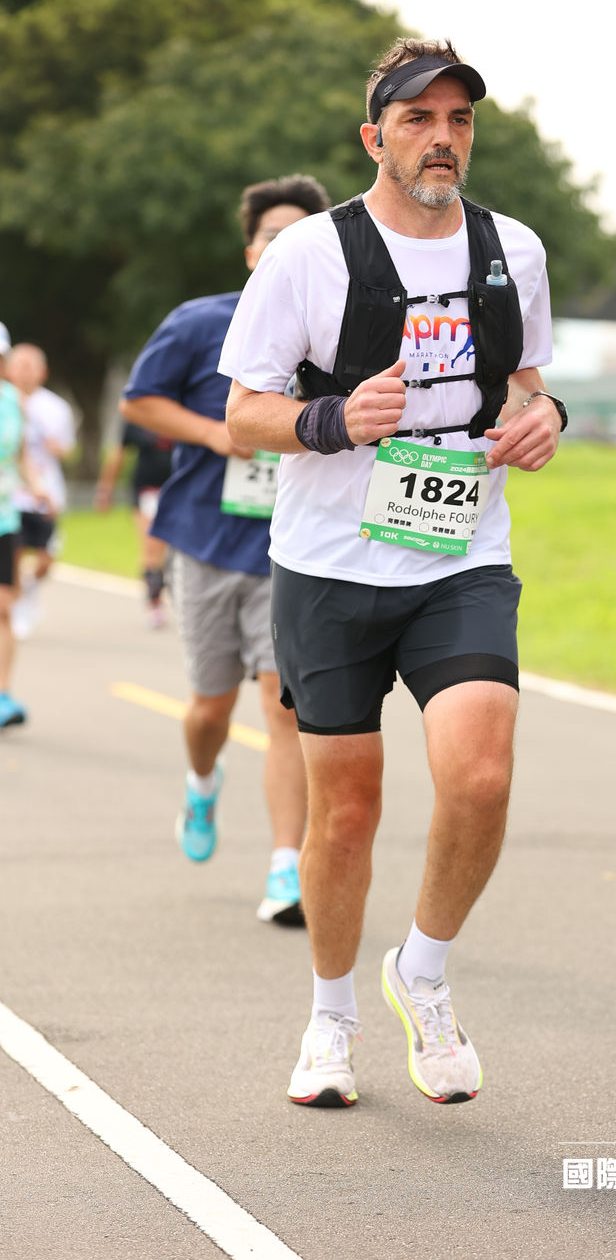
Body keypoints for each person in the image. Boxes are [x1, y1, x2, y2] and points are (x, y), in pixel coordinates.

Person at [221, 40, 567, 1107]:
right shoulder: (307, 256)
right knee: (346, 813)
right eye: (418, 119)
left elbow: (525, 382)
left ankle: (423, 970)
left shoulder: (512, 248)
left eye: (458, 120)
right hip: (328, 564)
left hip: (461, 552)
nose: (441, 138)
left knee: (480, 774)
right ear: (375, 137)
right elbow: (243, 412)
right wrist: (329, 419)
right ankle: (330, 1018)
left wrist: (547, 417)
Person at [120, 174, 331, 925]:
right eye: (273, 235)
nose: (284, 247)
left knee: (284, 711)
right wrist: (216, 431)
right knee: (210, 709)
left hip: (294, 549)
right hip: (207, 542)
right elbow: (139, 400)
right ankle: (203, 783)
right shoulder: (200, 321)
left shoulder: (337, 328)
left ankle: (285, 870)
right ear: (250, 250)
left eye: (299, 236)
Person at [6, 344, 77, 639]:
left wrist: (55, 449)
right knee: (15, 554)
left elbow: (68, 450)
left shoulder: (56, 408)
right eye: (18, 365)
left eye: (30, 366)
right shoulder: (6, 402)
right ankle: (16, 608)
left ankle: (29, 588)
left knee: (45, 561)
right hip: (12, 498)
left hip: (46, 493)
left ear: (42, 372)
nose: (24, 372)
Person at [0, 324, 50, 727]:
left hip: (4, 517)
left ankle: (2, 695)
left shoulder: (12, 400)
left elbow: (20, 455)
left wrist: (37, 485)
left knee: (4, 607)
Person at [95, 420, 173, 627]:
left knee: (172, 551)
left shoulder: (186, 411)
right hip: (147, 491)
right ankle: (155, 603)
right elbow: (118, 456)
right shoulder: (137, 420)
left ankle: (172, 590)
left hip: (176, 491)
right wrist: (105, 490)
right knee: (152, 547)